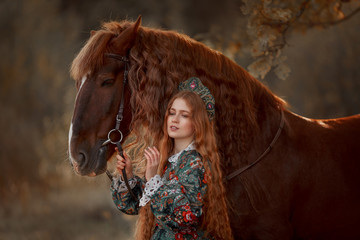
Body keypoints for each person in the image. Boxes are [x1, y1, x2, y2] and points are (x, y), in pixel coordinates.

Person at [111, 77, 233, 240]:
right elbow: (135, 206)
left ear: (197, 123)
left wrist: (154, 179)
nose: (174, 119)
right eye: (172, 113)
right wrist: (129, 175)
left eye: (184, 115)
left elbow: (184, 217)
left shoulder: (197, 163)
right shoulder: (167, 160)